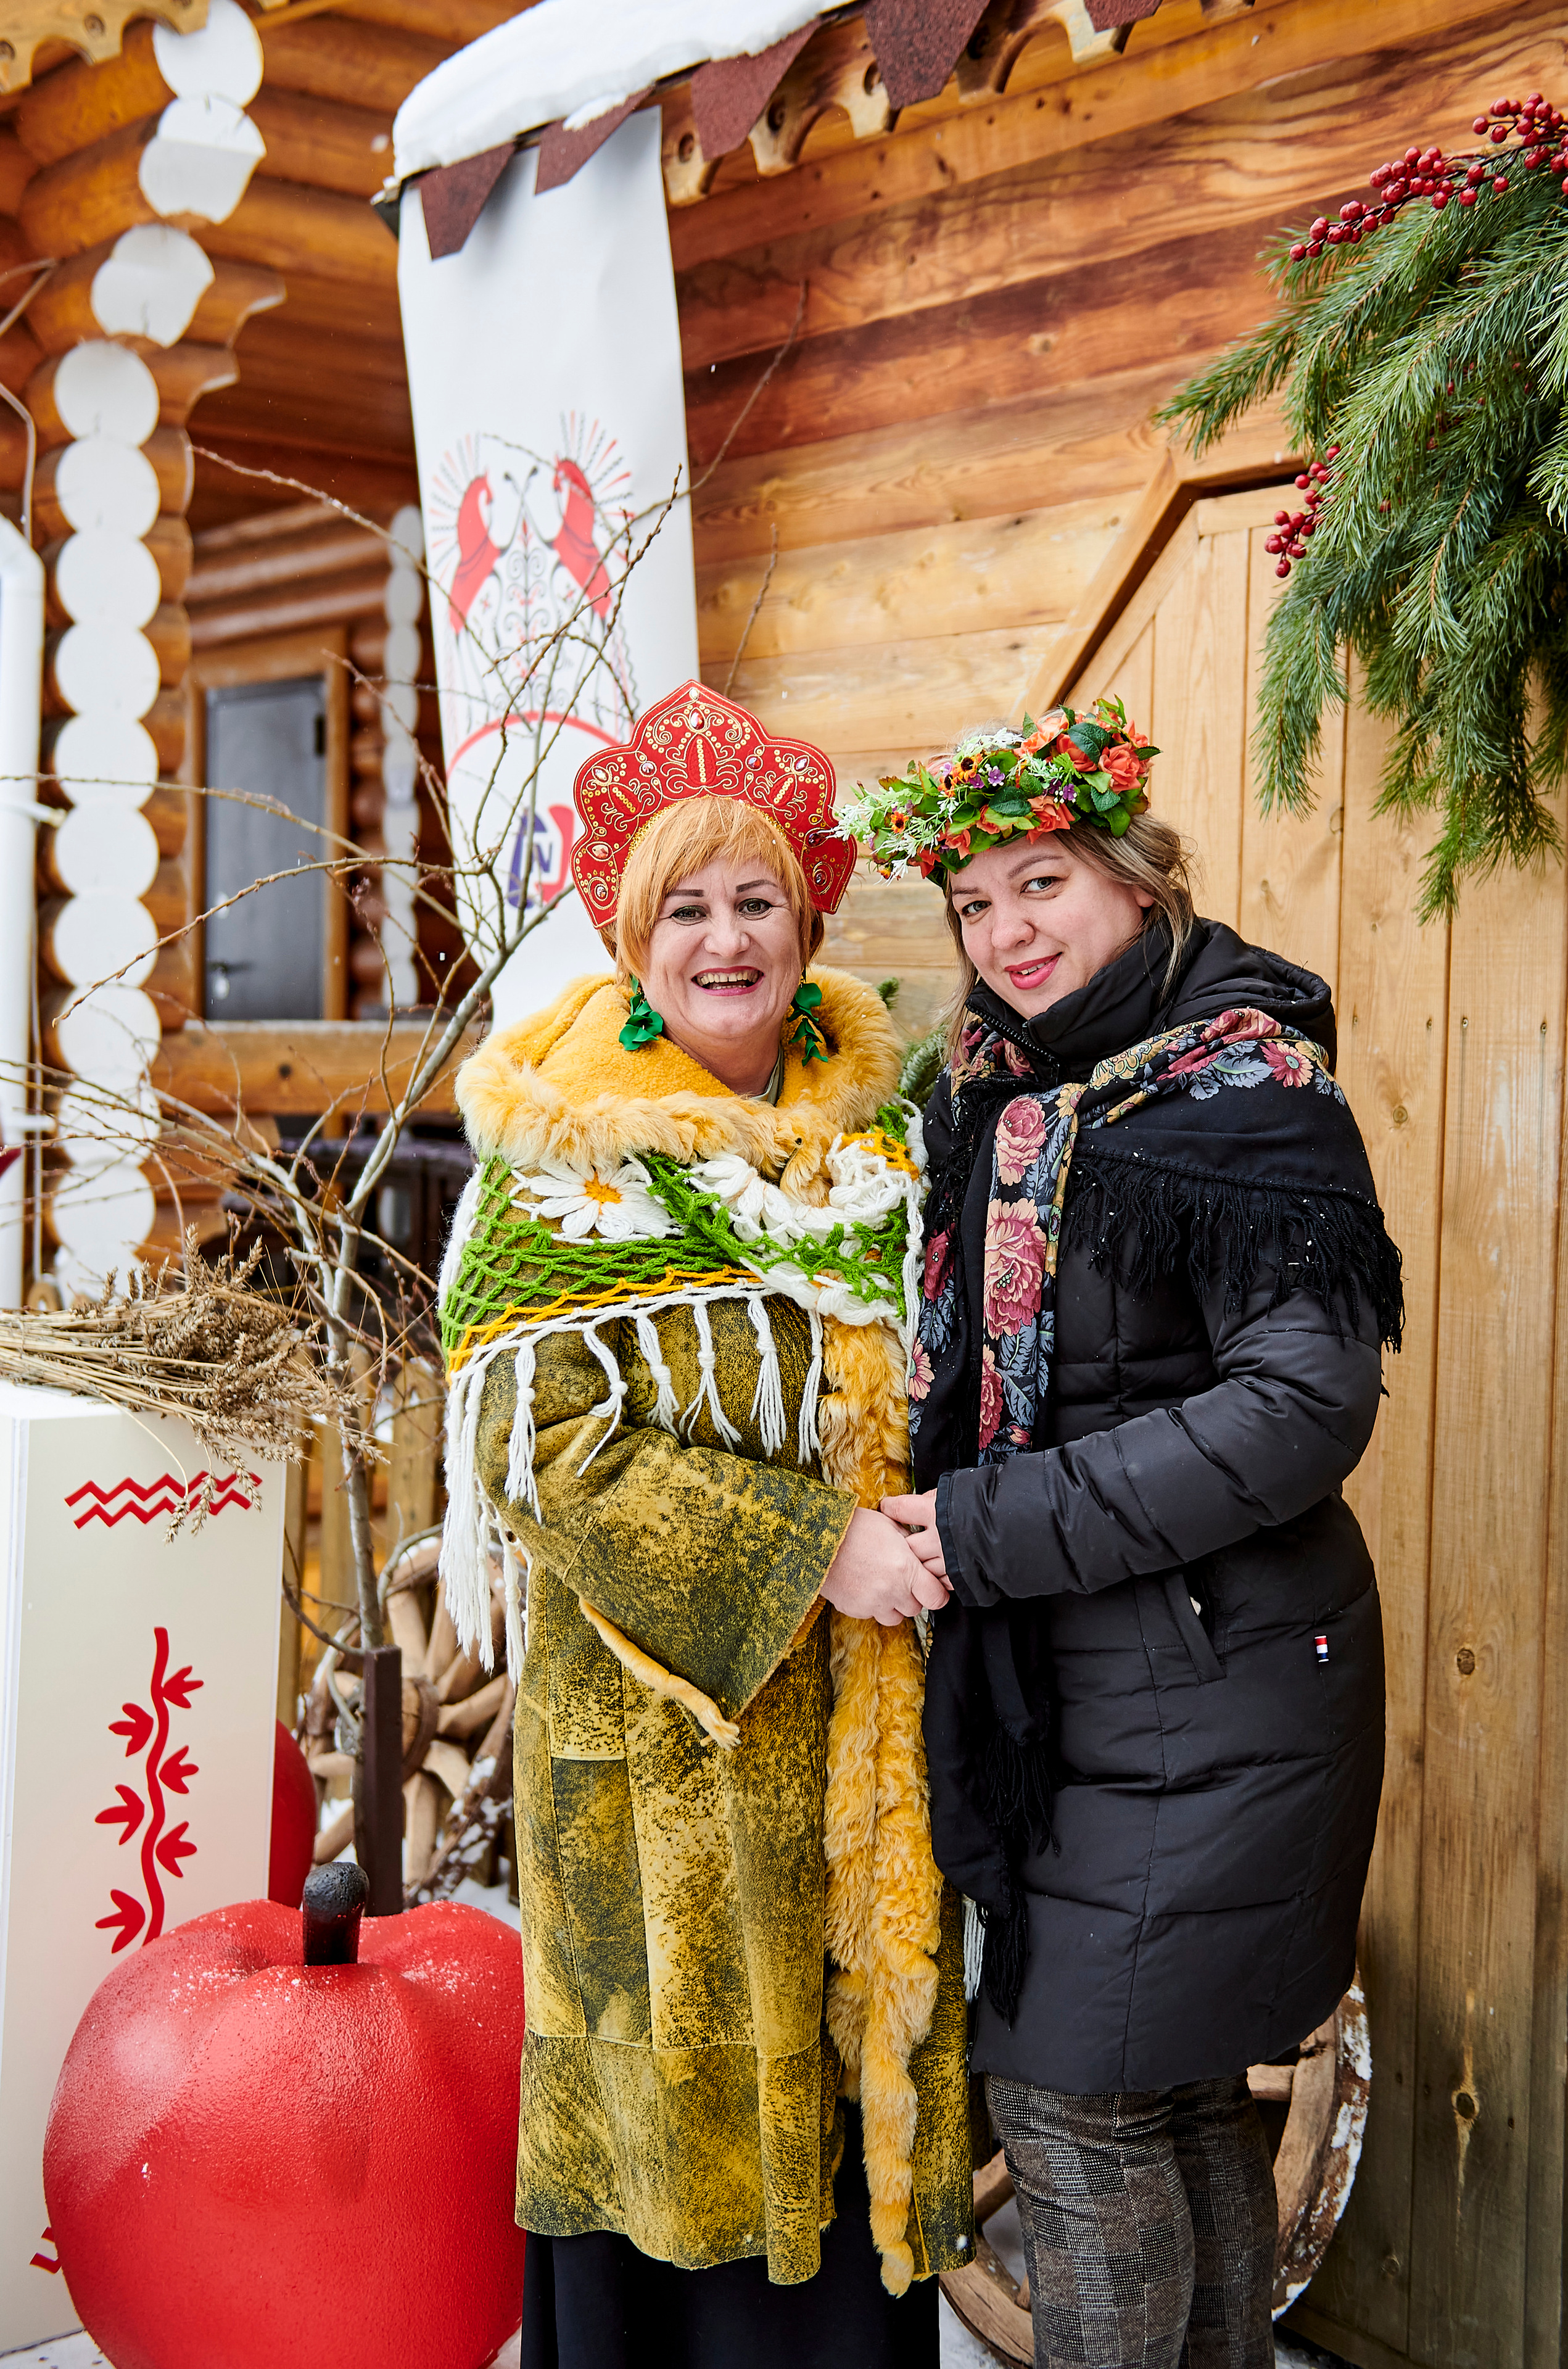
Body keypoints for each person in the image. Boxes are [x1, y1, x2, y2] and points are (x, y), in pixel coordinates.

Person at [846, 702, 1403, 2369]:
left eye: (1044, 883)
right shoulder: (1008, 1096)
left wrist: (973, 1528)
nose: (1009, 932)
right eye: (976, 903)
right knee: (1164, 2102)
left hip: (1216, 1690)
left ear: (1137, 881)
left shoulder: (1244, 1094)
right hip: (1095, 1692)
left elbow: (1303, 1410)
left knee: (1073, 2108)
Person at [436, 681, 973, 2369]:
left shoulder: (884, 1137)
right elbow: (542, 1448)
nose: (728, 940)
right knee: (681, 2186)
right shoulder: (559, 1159)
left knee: (847, 2136)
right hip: (661, 1768)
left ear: (808, 925)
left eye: (759, 903)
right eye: (688, 906)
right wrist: (814, 1550)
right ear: (630, 933)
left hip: (867, 1751)